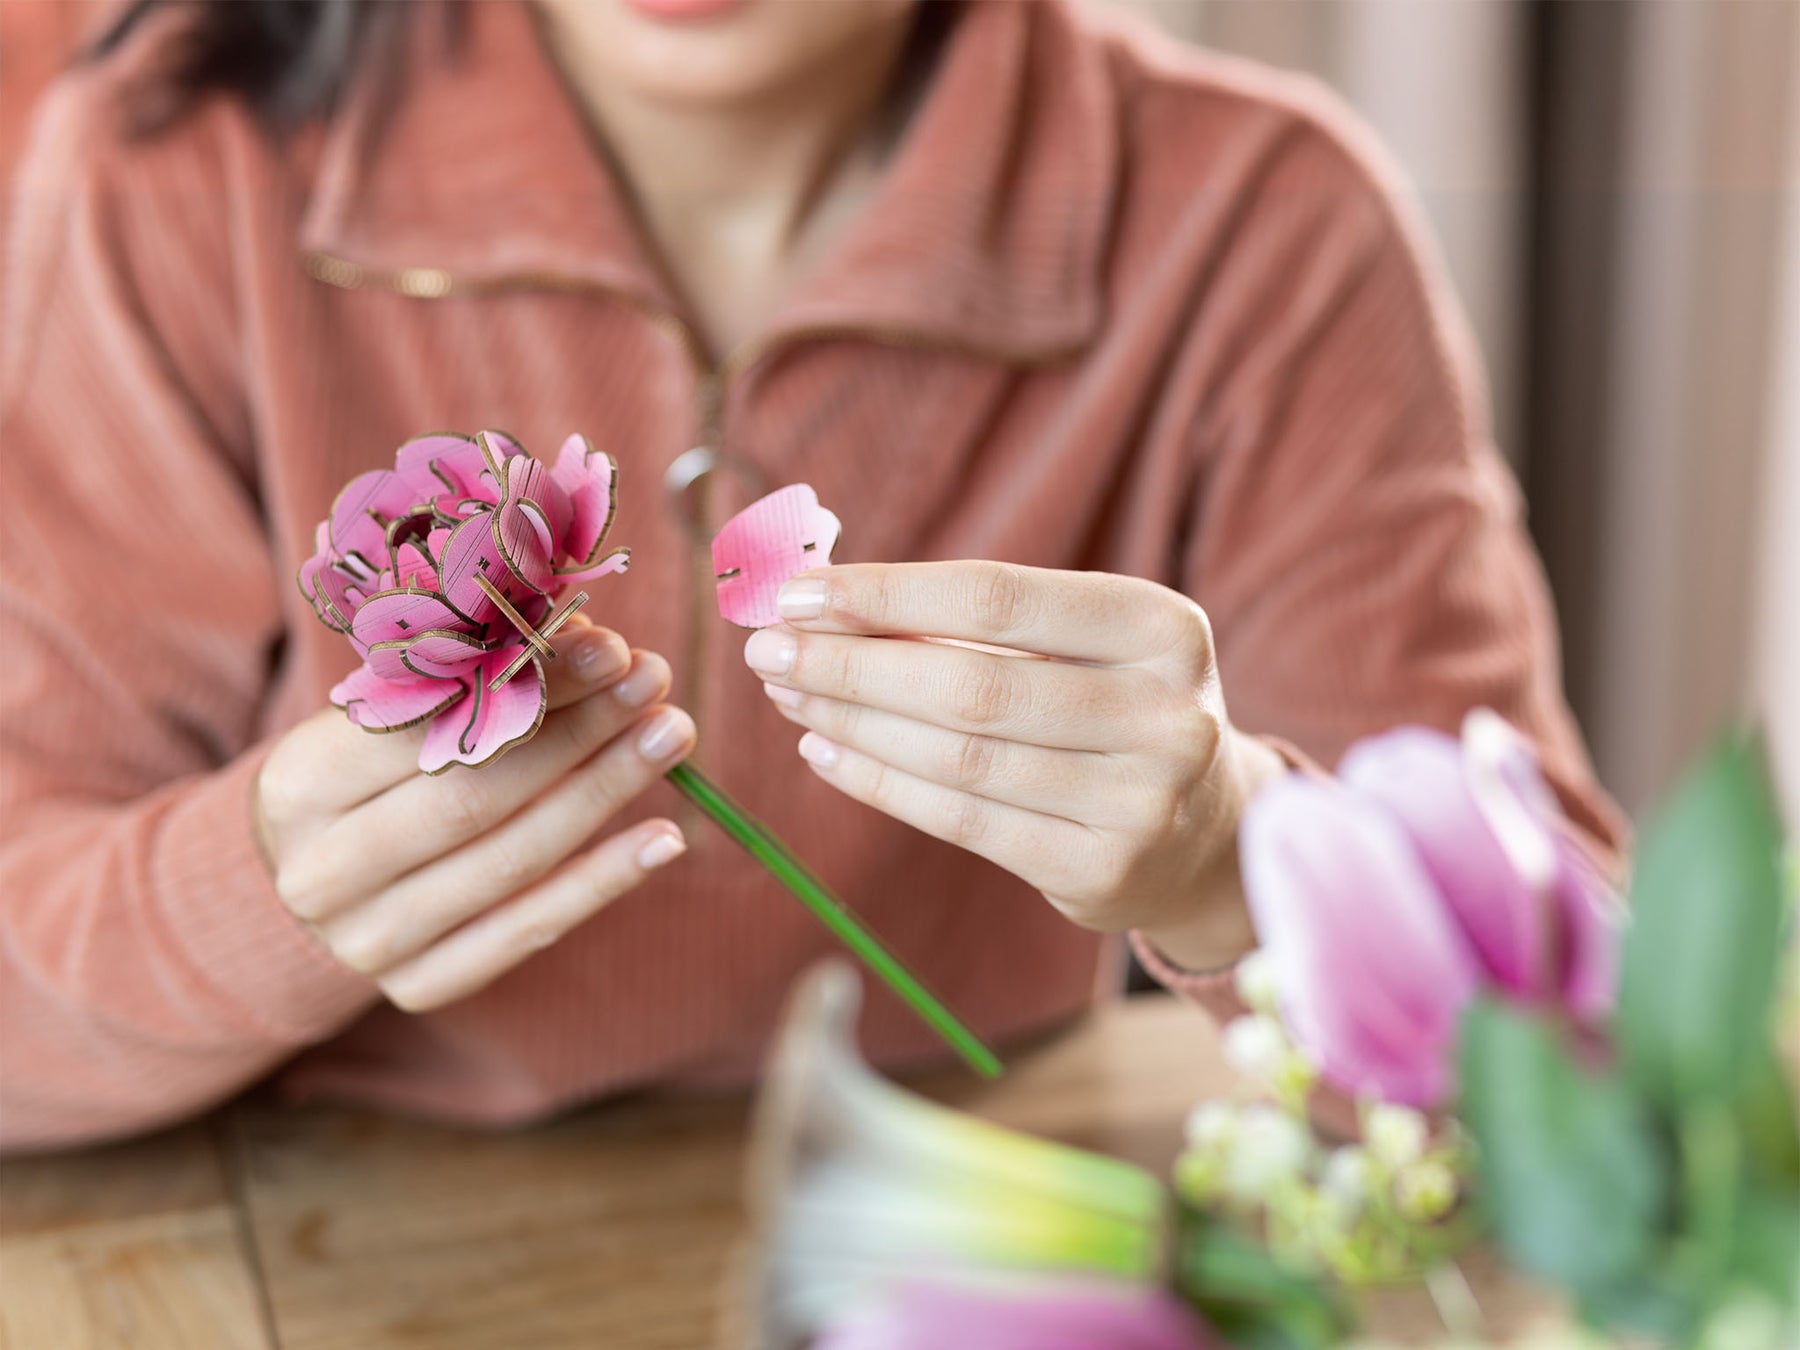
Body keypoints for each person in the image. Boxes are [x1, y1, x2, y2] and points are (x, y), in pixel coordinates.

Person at [0, 0, 1623, 1152]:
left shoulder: (1263, 230)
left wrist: (1234, 855)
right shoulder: (173, 173)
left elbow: (1602, 1064)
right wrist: (248, 890)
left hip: (981, 1225)